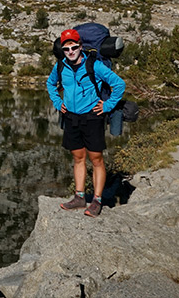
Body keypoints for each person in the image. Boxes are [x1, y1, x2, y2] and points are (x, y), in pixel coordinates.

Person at [47, 28, 125, 217]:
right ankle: (80, 197)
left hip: (92, 116)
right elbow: (50, 84)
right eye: (66, 49)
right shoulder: (60, 66)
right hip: (71, 117)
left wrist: (107, 106)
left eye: (74, 47)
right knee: (78, 157)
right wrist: (58, 102)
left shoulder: (94, 65)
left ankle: (97, 200)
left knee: (96, 158)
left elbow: (119, 84)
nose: (71, 52)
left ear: (81, 46)